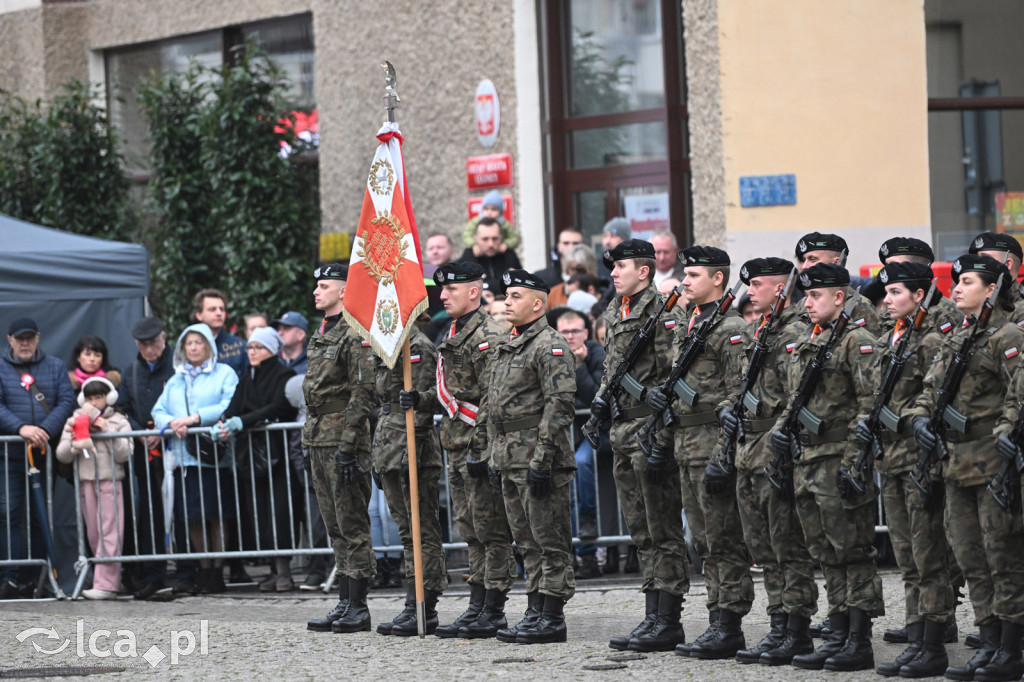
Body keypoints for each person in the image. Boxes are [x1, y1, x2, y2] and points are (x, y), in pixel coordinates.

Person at [909, 254, 1024, 681]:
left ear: (992, 289)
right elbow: (929, 390)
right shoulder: (958, 337)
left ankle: (1011, 649)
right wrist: (921, 418)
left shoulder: (1007, 336)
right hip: (955, 465)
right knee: (970, 559)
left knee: (1003, 557)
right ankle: (989, 643)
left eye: (968, 281)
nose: (956, 288)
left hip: (993, 463)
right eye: (956, 282)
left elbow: (1020, 395)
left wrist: (1009, 430)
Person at [768, 263, 883, 672]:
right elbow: (793, 399)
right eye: (805, 296)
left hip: (838, 460)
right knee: (825, 552)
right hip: (807, 460)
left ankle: (858, 638)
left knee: (852, 550)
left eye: (816, 296)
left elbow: (870, 408)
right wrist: (780, 439)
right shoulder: (808, 341)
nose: (807, 303)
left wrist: (854, 464)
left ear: (839, 297)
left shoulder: (858, 341)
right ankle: (836, 633)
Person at [647, 246, 752, 660]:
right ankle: (715, 620)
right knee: (705, 543)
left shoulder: (730, 327)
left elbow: (736, 393)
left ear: (718, 280)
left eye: (693, 275)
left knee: (724, 540)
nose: (684, 281)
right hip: (685, 446)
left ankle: (729, 624)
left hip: (712, 445)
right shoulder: (690, 325)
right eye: (685, 274)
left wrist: (725, 455)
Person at [593, 239, 689, 653]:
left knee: (663, 528)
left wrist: (661, 439)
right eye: (612, 267)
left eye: (621, 266)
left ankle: (668, 619)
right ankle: (652, 615)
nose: (613, 273)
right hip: (622, 434)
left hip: (649, 434)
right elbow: (613, 370)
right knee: (642, 532)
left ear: (644, 272)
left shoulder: (665, 313)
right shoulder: (616, 310)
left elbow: (674, 377)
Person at [862, 262, 957, 678]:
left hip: (918, 458)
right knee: (907, 558)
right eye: (887, 293)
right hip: (892, 459)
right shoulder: (892, 337)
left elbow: (935, 399)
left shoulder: (931, 341)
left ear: (920, 296)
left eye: (897, 292)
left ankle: (933, 643)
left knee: (928, 556)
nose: (887, 300)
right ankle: (916, 637)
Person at [723, 258, 819, 666]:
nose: (750, 292)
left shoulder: (795, 333)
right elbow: (739, 386)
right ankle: (778, 624)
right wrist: (729, 408)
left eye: (758, 285)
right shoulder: (754, 331)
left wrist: (778, 440)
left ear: (781, 290)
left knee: (787, 545)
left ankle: (797, 629)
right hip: (748, 448)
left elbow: (798, 396)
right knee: (762, 546)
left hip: (774, 449)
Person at [416, 261, 517, 640]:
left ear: (473, 292)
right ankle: (477, 603)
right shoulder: (453, 332)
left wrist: (481, 450)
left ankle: (493, 607)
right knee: (470, 529)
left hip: (477, 445)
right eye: (443, 290)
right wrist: (420, 399)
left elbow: (492, 399)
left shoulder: (487, 334)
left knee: (491, 530)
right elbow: (452, 395)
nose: (442, 296)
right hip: (456, 445)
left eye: (451, 290)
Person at [486, 269, 577, 644]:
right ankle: (535, 609)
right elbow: (495, 407)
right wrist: (494, 455)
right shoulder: (509, 344)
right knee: (526, 540)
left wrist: (543, 458)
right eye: (506, 296)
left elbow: (559, 406)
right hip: (509, 457)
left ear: (538, 304)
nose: (507, 302)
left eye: (516, 296)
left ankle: (552, 616)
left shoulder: (549, 345)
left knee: (549, 539)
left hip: (538, 458)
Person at [302, 264, 376, 635]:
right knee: (334, 525)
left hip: (343, 437)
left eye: (324, 285)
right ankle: (345, 600)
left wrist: (350, 444)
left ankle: (359, 606)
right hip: (318, 436)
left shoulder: (354, 333)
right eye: (317, 285)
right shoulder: (321, 333)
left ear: (345, 291)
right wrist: (306, 441)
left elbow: (363, 391)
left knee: (352, 524)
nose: (317, 291)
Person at [151, 323, 239, 594]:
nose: (193, 347)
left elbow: (229, 403)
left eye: (199, 342)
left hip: (213, 457)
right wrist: (173, 422)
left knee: (216, 516)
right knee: (194, 517)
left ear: (208, 346)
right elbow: (158, 410)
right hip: (184, 460)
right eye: (188, 343)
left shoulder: (224, 372)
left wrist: (196, 419)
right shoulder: (176, 379)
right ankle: (204, 568)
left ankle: (217, 570)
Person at [373, 322, 448, 636]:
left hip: (411, 448)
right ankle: (412, 601)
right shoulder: (388, 345)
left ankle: (423, 604)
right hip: (389, 445)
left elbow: (422, 406)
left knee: (421, 531)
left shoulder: (417, 346)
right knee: (406, 531)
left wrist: (408, 454)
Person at [216, 327, 297, 592]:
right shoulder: (246, 376)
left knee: (280, 511)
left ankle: (285, 570)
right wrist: (224, 422)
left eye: (258, 347)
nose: (252, 352)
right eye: (250, 347)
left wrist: (244, 421)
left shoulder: (283, 374)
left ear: (271, 350)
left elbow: (278, 406)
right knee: (260, 512)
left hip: (277, 455)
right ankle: (273, 570)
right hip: (252, 457)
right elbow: (235, 405)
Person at [0, 317, 76, 598]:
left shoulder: (55, 366)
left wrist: (44, 430)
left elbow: (67, 401)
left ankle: (35, 579)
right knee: (8, 514)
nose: (25, 343)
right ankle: (9, 577)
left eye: (29, 337)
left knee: (40, 516)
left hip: (43, 456)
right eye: (19, 338)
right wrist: (21, 428)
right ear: (9, 340)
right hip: (9, 456)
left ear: (38, 338)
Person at [56, 376, 131, 599]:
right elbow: (62, 454)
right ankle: (102, 578)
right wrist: (73, 443)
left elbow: (125, 453)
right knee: (94, 533)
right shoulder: (74, 419)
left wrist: (106, 430)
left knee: (110, 531)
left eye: (98, 397)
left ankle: (106, 585)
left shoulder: (118, 420)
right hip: (86, 481)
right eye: (89, 398)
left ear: (108, 398)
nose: (93, 403)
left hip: (110, 480)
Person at [117, 316, 175, 600]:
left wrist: (163, 430)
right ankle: (152, 572)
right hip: (144, 453)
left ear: (163, 339)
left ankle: (188, 573)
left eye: (153, 343)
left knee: (179, 511)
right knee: (149, 513)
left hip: (176, 450)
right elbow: (124, 408)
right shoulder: (130, 373)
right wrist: (140, 432)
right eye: (143, 345)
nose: (149, 349)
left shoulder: (177, 366)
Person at [555, 309, 605, 579]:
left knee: (583, 465)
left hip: (592, 433)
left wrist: (579, 366)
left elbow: (597, 396)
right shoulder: (551, 353)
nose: (570, 336)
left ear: (585, 333)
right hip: (561, 433)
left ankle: (587, 549)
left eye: (575, 331)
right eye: (565, 331)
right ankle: (568, 555)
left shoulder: (596, 354)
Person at [795, 232, 879, 336]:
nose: (805, 266)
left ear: (836, 262)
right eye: (804, 260)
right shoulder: (803, 303)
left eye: (812, 259)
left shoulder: (859, 306)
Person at [968, 231, 1024, 324]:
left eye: (985, 259)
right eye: (976, 260)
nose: (976, 266)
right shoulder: (975, 306)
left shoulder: (1019, 312)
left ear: (1007, 265)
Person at [193, 289, 248, 376]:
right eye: (212, 309)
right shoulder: (189, 348)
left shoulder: (239, 346)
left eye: (222, 309)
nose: (219, 313)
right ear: (199, 315)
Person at [460, 218, 523, 286]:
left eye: (495, 239)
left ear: (501, 238)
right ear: (475, 239)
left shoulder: (509, 254)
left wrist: (484, 287)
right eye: (485, 239)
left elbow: (519, 284)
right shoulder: (468, 256)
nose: (491, 244)